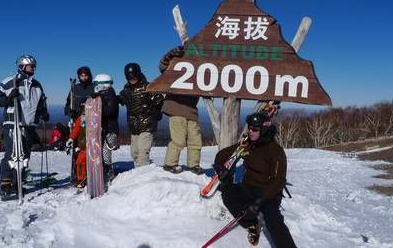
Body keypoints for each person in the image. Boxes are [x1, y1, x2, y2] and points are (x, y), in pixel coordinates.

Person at [214, 111, 296, 247]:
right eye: (249, 128)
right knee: (228, 193)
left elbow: (278, 181)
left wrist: (259, 202)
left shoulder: (275, 151)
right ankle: (252, 224)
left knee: (273, 219)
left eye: (254, 129)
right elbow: (222, 155)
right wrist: (221, 169)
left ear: (264, 130)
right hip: (248, 187)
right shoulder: (248, 145)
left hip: (268, 193)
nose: (250, 132)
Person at [0, 54, 50, 200]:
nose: (33, 69)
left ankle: (17, 183)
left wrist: (44, 113)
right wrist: (8, 98)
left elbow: (41, 102)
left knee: (24, 156)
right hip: (13, 123)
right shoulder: (10, 81)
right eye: (31, 66)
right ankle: (5, 185)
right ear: (22, 66)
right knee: (12, 155)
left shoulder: (37, 85)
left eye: (34, 66)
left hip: (29, 125)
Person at [66, 74, 119, 185]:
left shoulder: (110, 94)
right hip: (102, 128)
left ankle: (108, 172)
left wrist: (96, 108)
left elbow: (109, 111)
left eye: (96, 84)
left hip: (110, 129)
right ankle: (100, 172)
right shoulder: (102, 94)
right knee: (99, 152)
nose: (95, 86)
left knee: (105, 152)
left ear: (103, 84)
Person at [158, 46, 204, 175]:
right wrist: (170, 55)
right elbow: (163, 66)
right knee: (178, 140)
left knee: (195, 139)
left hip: (191, 110)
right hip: (176, 107)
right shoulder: (177, 64)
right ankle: (170, 164)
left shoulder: (200, 67)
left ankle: (193, 165)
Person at [118, 63, 164, 168]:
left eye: (134, 77)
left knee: (143, 152)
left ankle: (144, 174)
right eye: (129, 78)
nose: (132, 80)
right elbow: (120, 99)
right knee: (134, 152)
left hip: (148, 124)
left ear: (138, 74)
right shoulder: (126, 89)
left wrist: (157, 112)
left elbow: (160, 100)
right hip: (134, 125)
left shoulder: (148, 87)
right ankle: (138, 173)